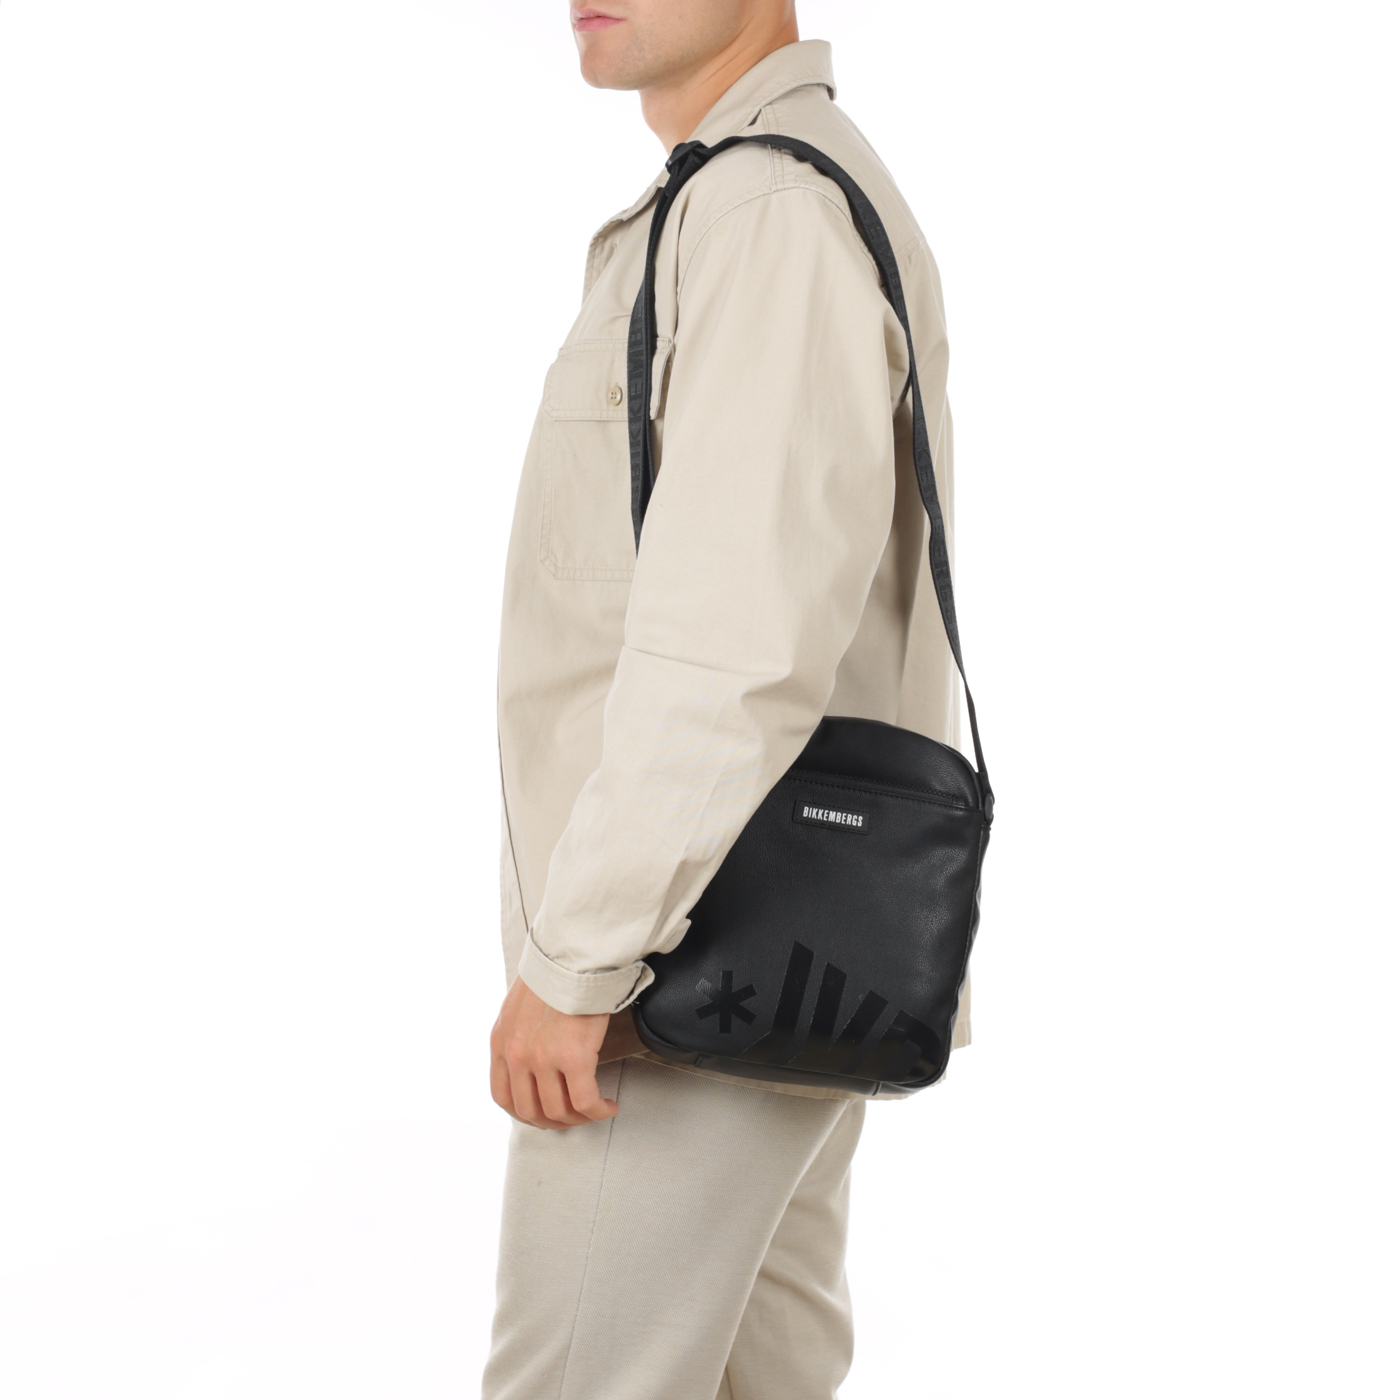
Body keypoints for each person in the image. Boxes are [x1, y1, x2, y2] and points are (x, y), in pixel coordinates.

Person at [484, 4, 971, 1396]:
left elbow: (733, 648)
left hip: (683, 971)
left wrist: (579, 963)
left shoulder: (764, 211)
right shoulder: (745, 196)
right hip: (768, 953)